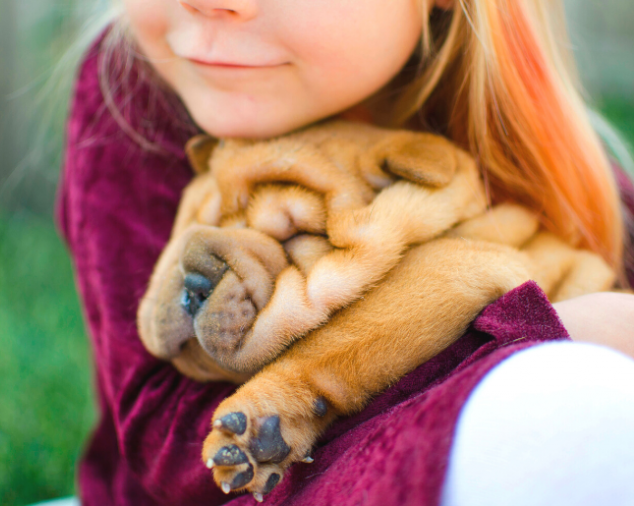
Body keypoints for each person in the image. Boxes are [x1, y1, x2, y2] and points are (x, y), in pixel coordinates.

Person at [54, 1, 634, 505]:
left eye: (293, 234)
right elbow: (175, 452)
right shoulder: (140, 86)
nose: (211, 2)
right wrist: (533, 340)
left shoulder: (517, 143)